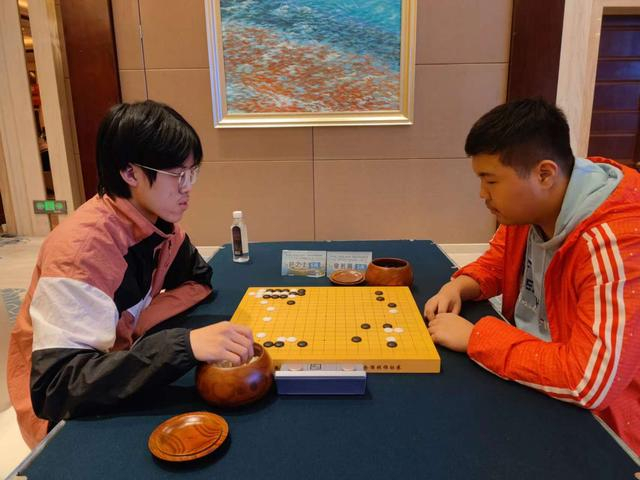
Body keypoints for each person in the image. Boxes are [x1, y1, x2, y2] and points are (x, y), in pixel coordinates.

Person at [8, 100, 254, 448]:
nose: (187, 187)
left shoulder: (159, 226)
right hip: (62, 420)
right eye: (177, 175)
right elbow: (55, 389)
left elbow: (197, 277)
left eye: (192, 172)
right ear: (130, 173)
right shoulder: (81, 252)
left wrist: (139, 328)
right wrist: (178, 346)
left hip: (113, 370)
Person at [424, 98, 640, 455]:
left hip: (600, 428)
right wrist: (459, 285)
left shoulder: (615, 243)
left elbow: (589, 383)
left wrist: (477, 337)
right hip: (532, 381)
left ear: (544, 174)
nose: (482, 194)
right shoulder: (534, 206)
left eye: (491, 180)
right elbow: (498, 262)